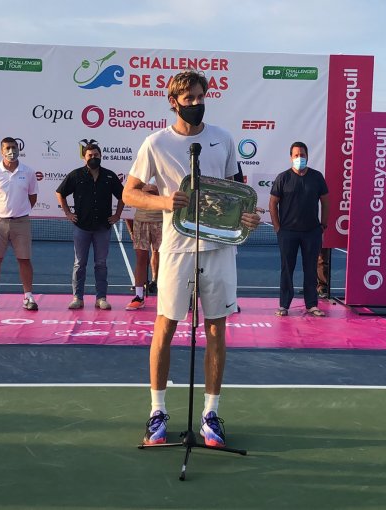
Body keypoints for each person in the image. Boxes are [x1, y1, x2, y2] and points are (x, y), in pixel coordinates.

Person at [124, 69, 261, 448]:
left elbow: (238, 192)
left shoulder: (223, 139)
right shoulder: (155, 143)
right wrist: (164, 202)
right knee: (165, 327)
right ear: (174, 102)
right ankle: (157, 411)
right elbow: (130, 194)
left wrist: (250, 216)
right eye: (189, 100)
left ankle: (211, 413)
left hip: (219, 249)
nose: (197, 104)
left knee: (216, 328)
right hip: (176, 249)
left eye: (201, 98)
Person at [56, 141, 124, 311]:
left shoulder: (109, 176)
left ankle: (101, 298)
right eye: (90, 155)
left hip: (103, 228)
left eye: (96, 155)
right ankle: (77, 298)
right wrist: (67, 213)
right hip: (81, 227)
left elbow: (123, 196)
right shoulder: (76, 175)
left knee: (101, 264)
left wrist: (117, 215)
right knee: (79, 264)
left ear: (101, 156)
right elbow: (60, 193)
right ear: (84, 157)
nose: (93, 158)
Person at [269, 141, 329, 317]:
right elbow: (273, 204)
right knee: (287, 268)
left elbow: (326, 201)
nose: (299, 158)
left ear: (307, 157)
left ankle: (312, 305)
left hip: (312, 233)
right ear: (291, 158)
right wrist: (278, 228)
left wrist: (323, 225)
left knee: (310, 268)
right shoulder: (283, 178)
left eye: (302, 155)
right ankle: (284, 305)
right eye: (296, 155)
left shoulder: (317, 177)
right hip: (287, 233)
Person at [0, 137, 39, 312]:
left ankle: (28, 297)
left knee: (24, 259)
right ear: (1, 151)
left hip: (21, 222)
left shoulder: (28, 172)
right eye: (7, 148)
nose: (11, 151)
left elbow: (32, 197)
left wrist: (20, 211)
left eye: (14, 147)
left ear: (18, 148)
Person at [126, 181, 163, 311]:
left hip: (162, 221)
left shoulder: (165, 170)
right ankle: (138, 297)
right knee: (141, 259)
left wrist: (150, 192)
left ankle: (166, 296)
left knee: (165, 259)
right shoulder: (138, 174)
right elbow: (130, 196)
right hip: (140, 221)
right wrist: (130, 229)